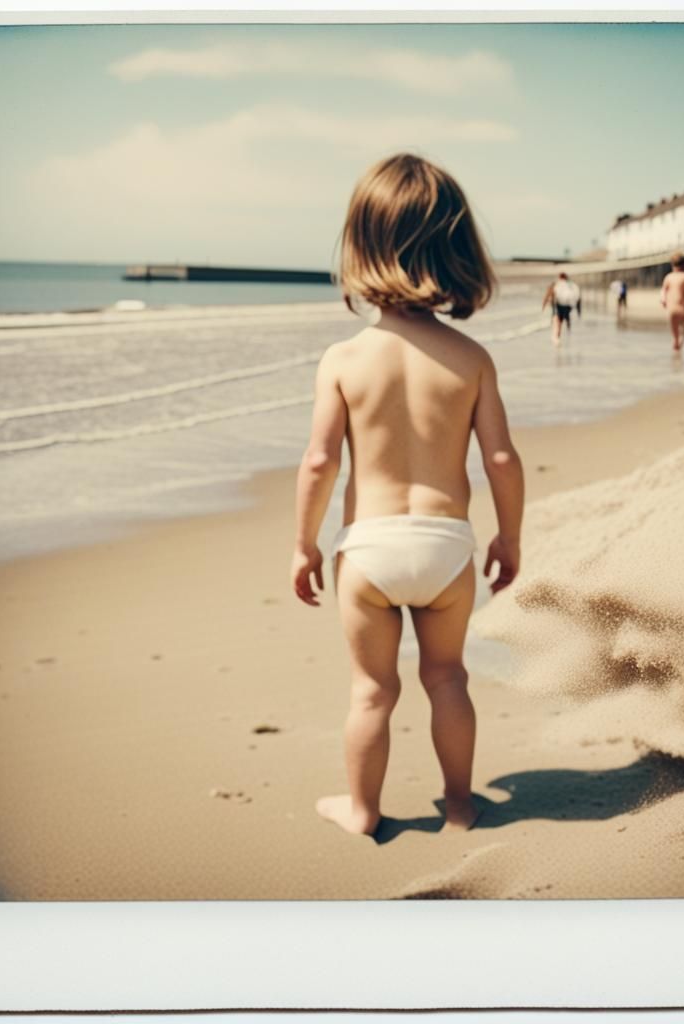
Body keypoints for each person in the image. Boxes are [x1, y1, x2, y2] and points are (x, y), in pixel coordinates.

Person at [291, 153, 524, 837]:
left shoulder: (343, 359)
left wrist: (303, 544)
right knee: (447, 678)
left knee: (373, 689)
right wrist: (510, 537)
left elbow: (318, 462)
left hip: (368, 550)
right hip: (447, 548)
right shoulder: (471, 359)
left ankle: (363, 810)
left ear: (360, 248)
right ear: (456, 252)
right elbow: (502, 459)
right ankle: (458, 805)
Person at [660, 252, 684, 352]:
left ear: (672, 265)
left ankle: (675, 340)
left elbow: (663, 291)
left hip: (671, 308)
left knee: (674, 326)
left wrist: (663, 300)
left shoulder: (668, 277)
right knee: (682, 325)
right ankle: (681, 343)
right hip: (681, 307)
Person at [541, 271, 580, 345]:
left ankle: (557, 337)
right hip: (569, 306)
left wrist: (544, 305)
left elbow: (548, 294)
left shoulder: (556, 284)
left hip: (559, 305)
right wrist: (578, 310)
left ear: (560, 277)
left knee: (558, 320)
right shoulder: (571, 285)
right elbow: (577, 297)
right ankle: (567, 331)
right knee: (563, 319)